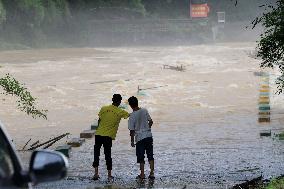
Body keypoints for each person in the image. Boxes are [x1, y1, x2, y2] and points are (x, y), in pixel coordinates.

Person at [92, 94, 129, 180]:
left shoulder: (103, 108)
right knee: (108, 155)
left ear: (112, 100)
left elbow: (99, 120)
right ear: (119, 102)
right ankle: (109, 175)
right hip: (108, 136)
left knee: (96, 154)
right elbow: (130, 115)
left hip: (98, 134)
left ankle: (96, 174)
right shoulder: (120, 111)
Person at [128, 96, 155, 180]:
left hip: (139, 138)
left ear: (130, 105)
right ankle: (152, 173)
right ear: (137, 102)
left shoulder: (132, 116)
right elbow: (151, 121)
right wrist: (148, 128)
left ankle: (142, 174)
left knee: (141, 156)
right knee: (150, 155)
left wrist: (132, 141)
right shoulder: (144, 110)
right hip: (148, 136)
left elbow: (132, 131)